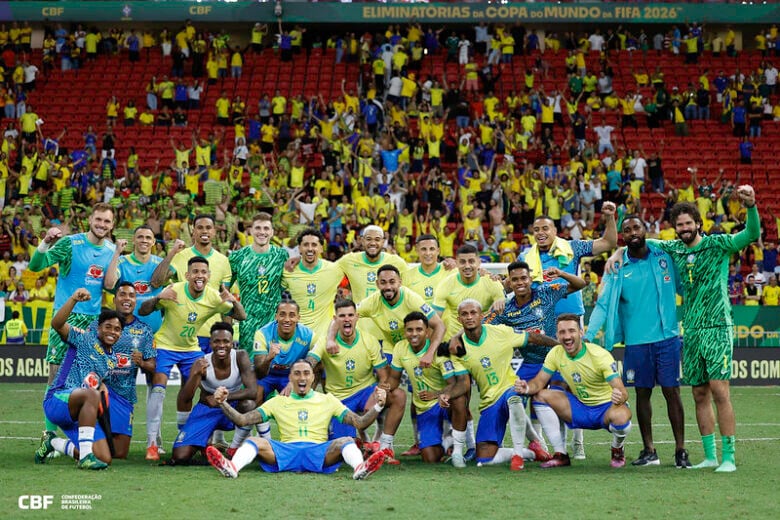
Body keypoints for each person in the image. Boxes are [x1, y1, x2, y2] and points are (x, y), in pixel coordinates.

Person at [608, 185, 760, 472]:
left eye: (689, 223)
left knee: (719, 390)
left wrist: (751, 207)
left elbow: (751, 235)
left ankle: (728, 457)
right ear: (675, 229)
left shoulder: (718, 244)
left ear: (698, 223)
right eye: (679, 225)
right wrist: (618, 253)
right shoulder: (673, 248)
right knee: (699, 393)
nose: (684, 228)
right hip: (690, 330)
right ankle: (710, 456)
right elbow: (641, 242)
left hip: (717, 326)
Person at [585, 215, 689, 468]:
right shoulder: (617, 268)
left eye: (637, 227)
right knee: (642, 394)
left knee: (672, 392)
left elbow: (685, 286)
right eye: (627, 229)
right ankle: (649, 450)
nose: (633, 232)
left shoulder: (663, 256)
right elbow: (604, 303)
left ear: (646, 230)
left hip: (667, 338)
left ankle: (680, 451)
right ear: (622, 235)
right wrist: (587, 337)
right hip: (636, 342)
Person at [519, 201, 617, 459]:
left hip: (569, 322)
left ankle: (578, 442)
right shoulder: (524, 257)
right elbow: (514, 283)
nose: (540, 232)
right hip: (539, 325)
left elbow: (608, 243)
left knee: (572, 380)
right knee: (540, 382)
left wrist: (609, 217)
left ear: (555, 231)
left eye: (545, 228)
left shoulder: (572, 247)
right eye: (536, 229)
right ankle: (540, 443)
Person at [205, 359, 388, 480]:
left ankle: (360, 469)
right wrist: (223, 403)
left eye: (306, 373)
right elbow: (242, 420)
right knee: (254, 440)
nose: (302, 377)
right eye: (297, 373)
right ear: (290, 378)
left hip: (318, 451)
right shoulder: (277, 402)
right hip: (285, 451)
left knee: (346, 441)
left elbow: (360, 423)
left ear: (313, 377)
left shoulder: (327, 400)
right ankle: (232, 468)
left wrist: (378, 405)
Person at [30, 203, 116, 460]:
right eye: (98, 219)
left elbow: (110, 286)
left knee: (86, 382)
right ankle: (48, 436)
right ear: (90, 219)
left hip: (92, 324)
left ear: (112, 225)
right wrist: (45, 242)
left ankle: (77, 438)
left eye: (107, 222)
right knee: (55, 377)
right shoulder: (71, 244)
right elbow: (37, 266)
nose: (101, 225)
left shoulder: (111, 250)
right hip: (65, 318)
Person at [139, 256, 246, 461]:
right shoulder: (175, 290)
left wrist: (232, 301)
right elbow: (144, 311)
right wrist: (158, 298)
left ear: (209, 276)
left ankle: (187, 434)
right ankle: (152, 443)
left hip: (191, 349)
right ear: (187, 275)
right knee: (159, 387)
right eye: (195, 272)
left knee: (202, 388)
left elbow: (241, 316)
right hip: (165, 345)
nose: (199, 276)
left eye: (203, 272)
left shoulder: (213, 297)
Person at [516, 314, 633, 469]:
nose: (567, 336)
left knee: (622, 417)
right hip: (579, 408)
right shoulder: (556, 353)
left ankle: (617, 448)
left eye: (571, 331)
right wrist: (527, 387)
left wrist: (620, 396)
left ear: (580, 333)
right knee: (540, 396)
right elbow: (539, 382)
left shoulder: (599, 355)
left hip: (605, 409)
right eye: (562, 332)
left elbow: (623, 392)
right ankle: (561, 454)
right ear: (557, 335)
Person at [451, 299, 554, 470]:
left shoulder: (500, 332)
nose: (469, 317)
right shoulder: (458, 348)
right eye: (464, 314)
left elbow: (534, 337)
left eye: (473, 313)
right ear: (458, 319)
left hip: (510, 388)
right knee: (484, 458)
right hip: (489, 401)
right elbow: (463, 384)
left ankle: (518, 455)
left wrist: (560, 346)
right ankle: (532, 452)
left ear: (481, 316)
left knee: (514, 398)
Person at [37, 289, 123, 470]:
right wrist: (73, 299)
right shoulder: (84, 338)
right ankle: (85, 458)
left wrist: (101, 386)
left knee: (104, 458)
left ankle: (53, 443)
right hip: (58, 399)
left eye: (117, 329)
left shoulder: (112, 359)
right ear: (98, 328)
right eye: (108, 327)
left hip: (81, 412)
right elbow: (57, 324)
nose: (112, 332)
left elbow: (93, 379)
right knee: (92, 395)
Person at [386, 311, 471, 466]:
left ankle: (458, 450)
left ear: (427, 332)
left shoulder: (438, 351)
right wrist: (383, 388)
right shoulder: (400, 348)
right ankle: (446, 442)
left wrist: (436, 394)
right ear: (404, 332)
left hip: (442, 403)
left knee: (459, 399)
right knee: (429, 458)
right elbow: (394, 379)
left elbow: (454, 384)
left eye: (419, 329)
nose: (414, 334)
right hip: (424, 409)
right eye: (410, 330)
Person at [85, 281, 156, 459]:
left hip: (125, 395)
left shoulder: (145, 330)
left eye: (131, 295)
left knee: (120, 453)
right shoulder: (97, 325)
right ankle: (78, 443)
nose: (127, 299)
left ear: (135, 300)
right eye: (122, 294)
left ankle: (90, 443)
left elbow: (152, 366)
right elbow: (84, 355)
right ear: (114, 298)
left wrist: (142, 363)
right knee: (100, 450)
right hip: (97, 390)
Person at [171, 321, 257, 463]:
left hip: (233, 408)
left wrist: (222, 398)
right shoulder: (202, 362)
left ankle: (233, 449)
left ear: (232, 343)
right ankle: (205, 443)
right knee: (180, 456)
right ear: (210, 343)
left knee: (249, 404)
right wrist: (195, 375)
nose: (221, 345)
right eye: (217, 341)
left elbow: (252, 391)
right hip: (207, 409)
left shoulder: (240, 356)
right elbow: (185, 397)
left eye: (226, 341)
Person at [307, 299, 389, 443]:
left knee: (397, 395)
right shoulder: (324, 341)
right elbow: (310, 362)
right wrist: (300, 371)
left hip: (365, 392)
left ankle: (384, 441)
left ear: (357, 317)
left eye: (351, 315)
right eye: (342, 316)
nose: (347, 319)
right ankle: (360, 438)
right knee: (345, 446)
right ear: (335, 319)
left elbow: (384, 376)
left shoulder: (369, 341)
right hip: (339, 400)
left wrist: (379, 394)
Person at [152, 214, 232, 354]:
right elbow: (156, 281)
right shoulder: (181, 256)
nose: (204, 231)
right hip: (181, 335)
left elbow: (225, 302)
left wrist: (227, 334)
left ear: (214, 231)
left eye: (208, 228)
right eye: (200, 228)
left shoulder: (223, 261)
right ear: (193, 231)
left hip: (211, 334)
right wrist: (171, 253)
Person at [249, 299, 317, 446]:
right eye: (282, 314)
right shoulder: (263, 333)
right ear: (276, 316)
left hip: (290, 376)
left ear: (298, 318)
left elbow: (317, 362)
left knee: (295, 400)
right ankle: (266, 441)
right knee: (254, 396)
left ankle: (297, 439)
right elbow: (259, 371)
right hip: (268, 373)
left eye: (292, 315)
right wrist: (269, 358)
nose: (287, 319)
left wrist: (296, 382)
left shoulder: (309, 335)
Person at [229, 212, 289, 356]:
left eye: (266, 228)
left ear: (272, 232)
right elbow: (224, 291)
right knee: (250, 370)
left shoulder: (281, 255)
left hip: (274, 324)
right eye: (258, 228)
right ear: (251, 230)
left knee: (274, 367)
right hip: (248, 326)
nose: (262, 232)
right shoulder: (237, 257)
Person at [281, 228, 344, 340]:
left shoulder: (334, 269)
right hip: (298, 338)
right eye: (306, 245)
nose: (310, 248)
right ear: (299, 248)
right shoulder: (288, 271)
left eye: (314, 245)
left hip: (325, 339)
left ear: (321, 248)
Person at [104, 226, 164, 333]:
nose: (144, 240)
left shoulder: (162, 264)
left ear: (154, 241)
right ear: (133, 240)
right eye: (140, 237)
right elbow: (109, 284)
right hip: (125, 332)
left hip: (155, 334)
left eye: (148, 238)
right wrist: (117, 253)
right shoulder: (121, 262)